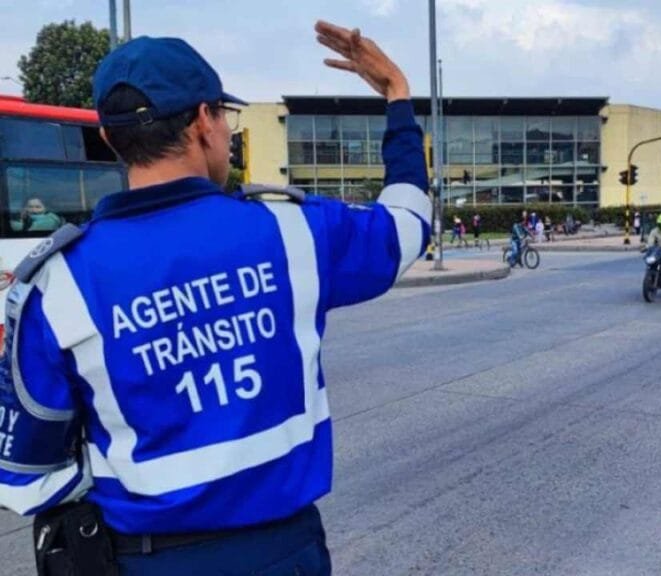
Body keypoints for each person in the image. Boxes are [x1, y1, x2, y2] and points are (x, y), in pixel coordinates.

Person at [0, 23, 430, 575]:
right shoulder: (294, 233)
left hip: (143, 561)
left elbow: (28, 475)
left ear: (109, 139)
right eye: (226, 117)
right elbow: (408, 224)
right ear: (205, 120)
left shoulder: (56, 284)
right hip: (284, 555)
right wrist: (396, 95)